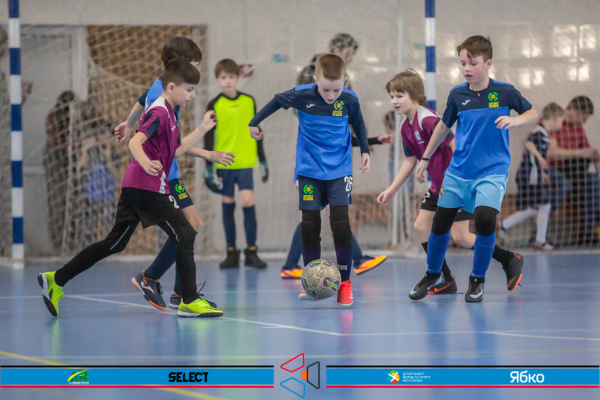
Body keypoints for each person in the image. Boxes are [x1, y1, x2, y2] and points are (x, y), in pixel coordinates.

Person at [38, 59, 223, 318]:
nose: (192, 96)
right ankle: (188, 299)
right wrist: (146, 162)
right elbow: (135, 142)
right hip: (147, 187)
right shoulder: (160, 112)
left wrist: (203, 129)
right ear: (172, 87)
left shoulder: (169, 113)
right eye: (189, 90)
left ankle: (56, 279)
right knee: (185, 232)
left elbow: (177, 149)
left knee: (114, 243)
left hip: (134, 186)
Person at [409, 35, 537, 303]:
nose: (466, 68)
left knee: (485, 220)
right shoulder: (457, 95)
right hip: (458, 172)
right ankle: (433, 274)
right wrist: (425, 158)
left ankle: (477, 280)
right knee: (440, 224)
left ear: (488, 63)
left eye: (472, 63)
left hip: (492, 171)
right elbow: (443, 127)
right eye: (462, 63)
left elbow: (532, 113)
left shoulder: (505, 92)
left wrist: (515, 121)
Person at [378, 70, 523, 295]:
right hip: (439, 185)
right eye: (391, 96)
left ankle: (508, 258)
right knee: (421, 227)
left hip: (456, 183)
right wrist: (391, 189)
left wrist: (463, 177)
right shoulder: (405, 127)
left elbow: (453, 144)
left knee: (461, 236)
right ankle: (443, 277)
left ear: (414, 95)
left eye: (399, 96)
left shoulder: (428, 119)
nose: (394, 101)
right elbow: (410, 160)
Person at [115, 37, 234, 310]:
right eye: (195, 65)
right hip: (163, 175)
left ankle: (178, 292)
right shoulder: (167, 97)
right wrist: (207, 153)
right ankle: (152, 278)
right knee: (187, 226)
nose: (196, 71)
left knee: (192, 224)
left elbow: (139, 102)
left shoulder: (159, 86)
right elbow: (175, 146)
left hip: (170, 173)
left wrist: (129, 123)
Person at [249, 54, 370, 306]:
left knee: (340, 224)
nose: (331, 95)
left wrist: (366, 151)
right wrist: (254, 122)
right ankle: (312, 283)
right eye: (325, 89)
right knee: (309, 224)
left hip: (339, 170)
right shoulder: (301, 95)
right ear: (315, 80)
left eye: (336, 89)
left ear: (344, 81)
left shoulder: (349, 99)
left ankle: (345, 286)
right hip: (309, 170)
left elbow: (358, 123)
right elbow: (276, 101)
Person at [280, 33, 390, 279]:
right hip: (315, 156)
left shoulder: (342, 79)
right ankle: (352, 259)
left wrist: (365, 141)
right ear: (336, 49)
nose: (349, 59)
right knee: (317, 213)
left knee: (328, 213)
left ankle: (353, 259)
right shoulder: (311, 74)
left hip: (331, 155)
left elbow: (348, 116)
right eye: (348, 53)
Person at [203, 59, 268, 269]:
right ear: (217, 80)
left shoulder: (249, 101)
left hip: (246, 162)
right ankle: (231, 252)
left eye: (231, 77)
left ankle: (252, 251)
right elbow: (208, 136)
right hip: (224, 164)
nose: (227, 81)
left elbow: (257, 130)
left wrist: (263, 159)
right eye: (223, 77)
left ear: (238, 78)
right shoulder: (214, 105)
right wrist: (209, 165)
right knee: (228, 203)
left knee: (248, 202)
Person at [498, 103, 566, 251]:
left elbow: (535, 155)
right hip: (529, 175)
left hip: (532, 174)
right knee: (545, 205)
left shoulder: (545, 134)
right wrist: (540, 159)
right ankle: (540, 241)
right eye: (562, 120)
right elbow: (528, 143)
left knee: (535, 208)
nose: (562, 123)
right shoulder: (539, 131)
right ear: (555, 118)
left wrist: (542, 172)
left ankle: (504, 224)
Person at [547, 96, 600, 245]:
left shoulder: (579, 128)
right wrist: (579, 153)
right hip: (551, 168)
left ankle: (586, 233)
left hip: (572, 170)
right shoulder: (554, 120)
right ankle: (539, 233)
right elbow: (551, 153)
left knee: (594, 182)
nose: (584, 123)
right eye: (583, 119)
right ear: (575, 112)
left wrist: (592, 154)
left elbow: (585, 150)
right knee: (563, 184)